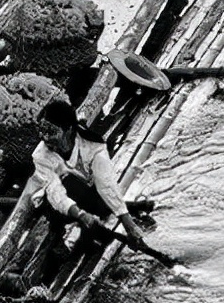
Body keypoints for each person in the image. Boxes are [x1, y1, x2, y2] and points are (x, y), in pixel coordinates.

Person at [25, 99, 146, 255]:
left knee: (102, 207)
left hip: (87, 191)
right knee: (64, 185)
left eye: (51, 132)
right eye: (43, 131)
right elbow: (55, 191)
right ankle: (57, 238)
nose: (45, 137)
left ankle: (99, 221)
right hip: (57, 201)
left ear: (68, 129)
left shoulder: (94, 147)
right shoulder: (41, 155)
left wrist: (129, 224)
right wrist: (80, 214)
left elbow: (106, 184)